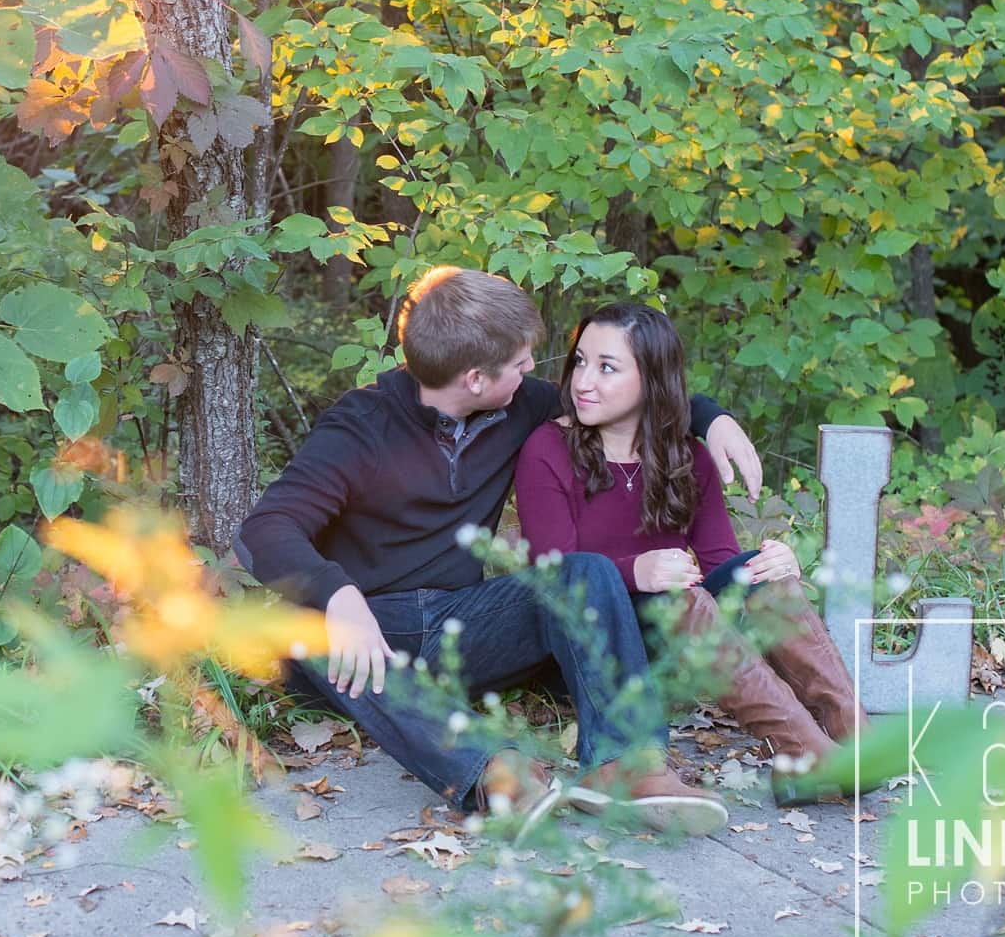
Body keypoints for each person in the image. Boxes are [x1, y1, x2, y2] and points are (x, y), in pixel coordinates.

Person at [239, 268, 764, 834]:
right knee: (310, 626)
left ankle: (623, 767)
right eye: (520, 364)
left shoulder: (518, 405)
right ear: (474, 379)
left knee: (580, 573)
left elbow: (629, 394)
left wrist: (714, 419)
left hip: (464, 623)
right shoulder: (360, 425)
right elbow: (265, 529)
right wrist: (338, 595)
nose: (533, 374)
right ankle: (494, 774)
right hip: (369, 630)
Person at [512, 301, 866, 805]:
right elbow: (552, 574)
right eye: (581, 362)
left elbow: (721, 564)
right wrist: (638, 570)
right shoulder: (548, 450)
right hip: (594, 652)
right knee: (680, 597)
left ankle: (851, 737)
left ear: (651, 379)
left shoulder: (686, 455)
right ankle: (807, 751)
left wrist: (769, 567)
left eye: (607, 367)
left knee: (761, 575)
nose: (583, 381)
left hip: (687, 638)